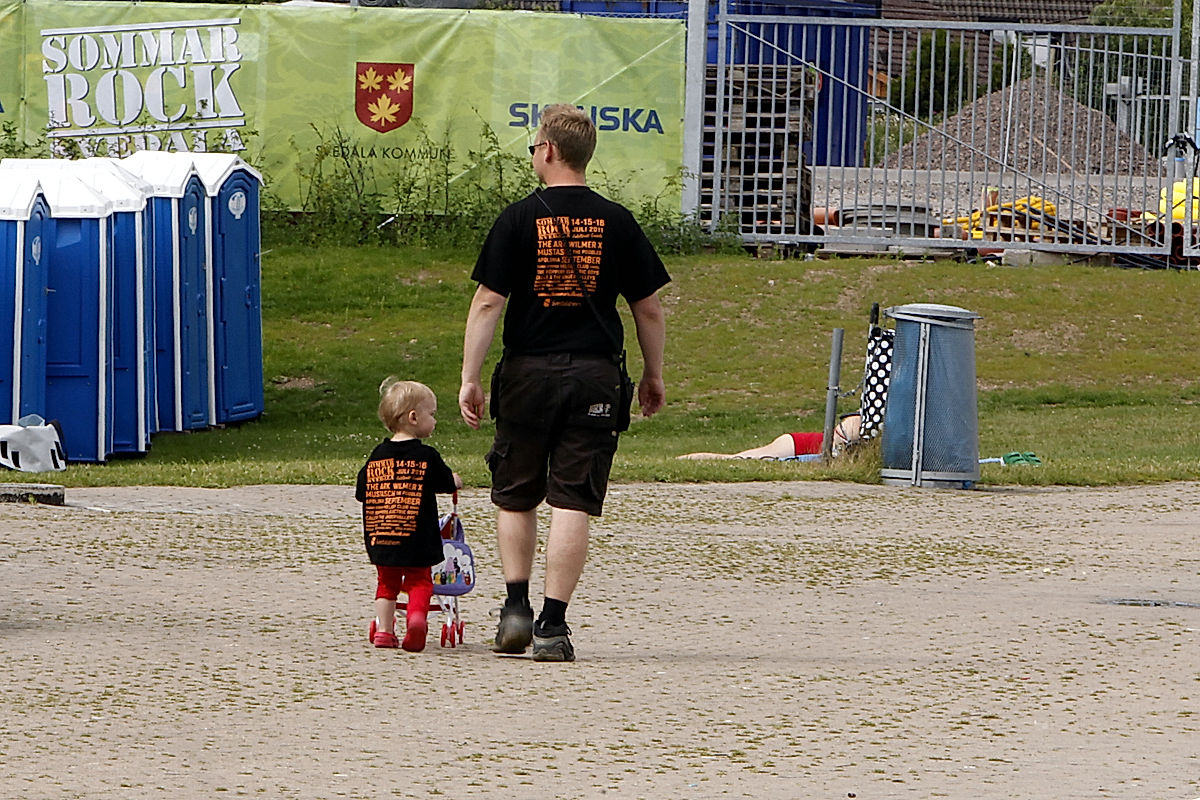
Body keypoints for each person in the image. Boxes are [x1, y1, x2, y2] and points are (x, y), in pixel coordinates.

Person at [459, 103, 670, 663]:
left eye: (534, 147)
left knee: (516, 491)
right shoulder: (618, 221)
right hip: (596, 377)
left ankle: (514, 608)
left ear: (548, 150)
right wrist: (653, 374)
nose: (533, 154)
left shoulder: (517, 219)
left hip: (527, 371)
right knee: (573, 498)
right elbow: (647, 309)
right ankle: (554, 626)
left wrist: (470, 378)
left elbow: (487, 302)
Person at [356, 378, 462, 652]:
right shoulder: (426, 456)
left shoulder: (376, 456)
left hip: (382, 534)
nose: (435, 421)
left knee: (386, 584)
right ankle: (416, 619)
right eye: (432, 414)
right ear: (414, 417)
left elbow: (361, 490)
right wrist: (456, 480)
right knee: (419, 580)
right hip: (416, 536)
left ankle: (384, 631)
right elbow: (445, 482)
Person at [677, 413, 863, 460]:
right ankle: (684, 460)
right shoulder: (858, 421)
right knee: (739, 459)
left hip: (801, 444)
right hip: (798, 445)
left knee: (739, 458)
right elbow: (837, 441)